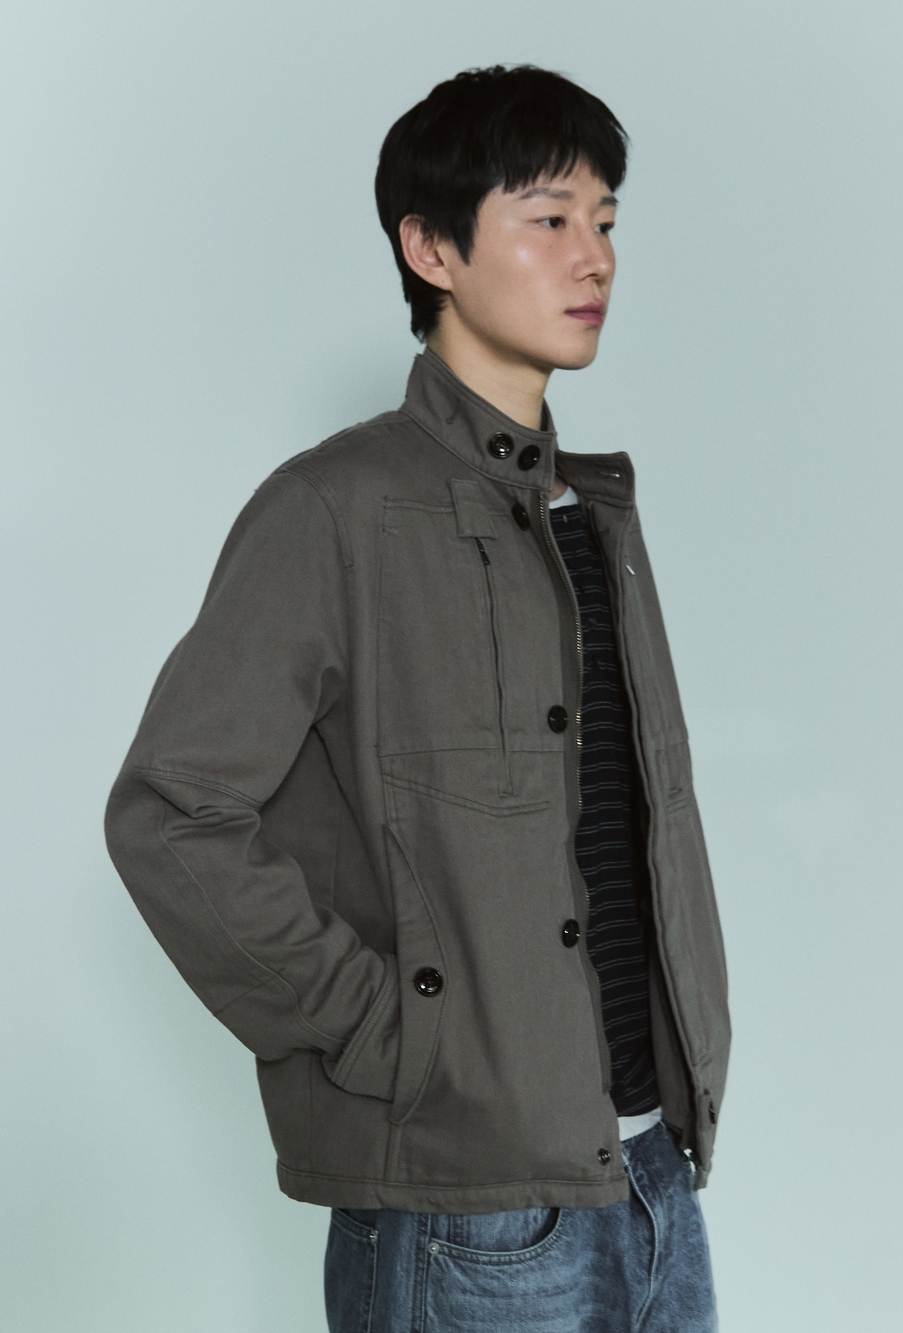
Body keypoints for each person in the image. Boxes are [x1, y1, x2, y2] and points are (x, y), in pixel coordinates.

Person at [105, 64, 730, 1333]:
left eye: (605, 220)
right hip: (467, 1216)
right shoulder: (332, 511)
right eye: (547, 218)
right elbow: (172, 815)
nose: (594, 255)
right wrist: (389, 1037)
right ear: (431, 248)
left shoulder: (592, 514)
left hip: (651, 1179)